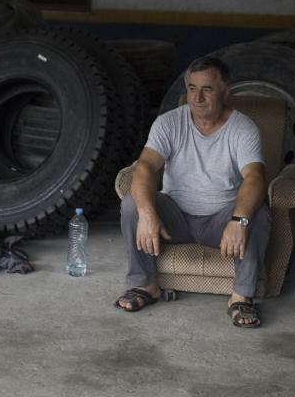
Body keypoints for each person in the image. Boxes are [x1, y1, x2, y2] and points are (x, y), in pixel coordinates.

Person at [114, 55, 269, 328]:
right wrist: (147, 213)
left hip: (220, 223)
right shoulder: (168, 123)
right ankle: (145, 285)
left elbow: (255, 177)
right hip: (175, 220)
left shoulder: (243, 128)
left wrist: (238, 220)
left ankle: (241, 297)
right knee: (131, 204)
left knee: (259, 214)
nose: (197, 98)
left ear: (225, 91)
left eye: (207, 89)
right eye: (192, 88)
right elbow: (146, 168)